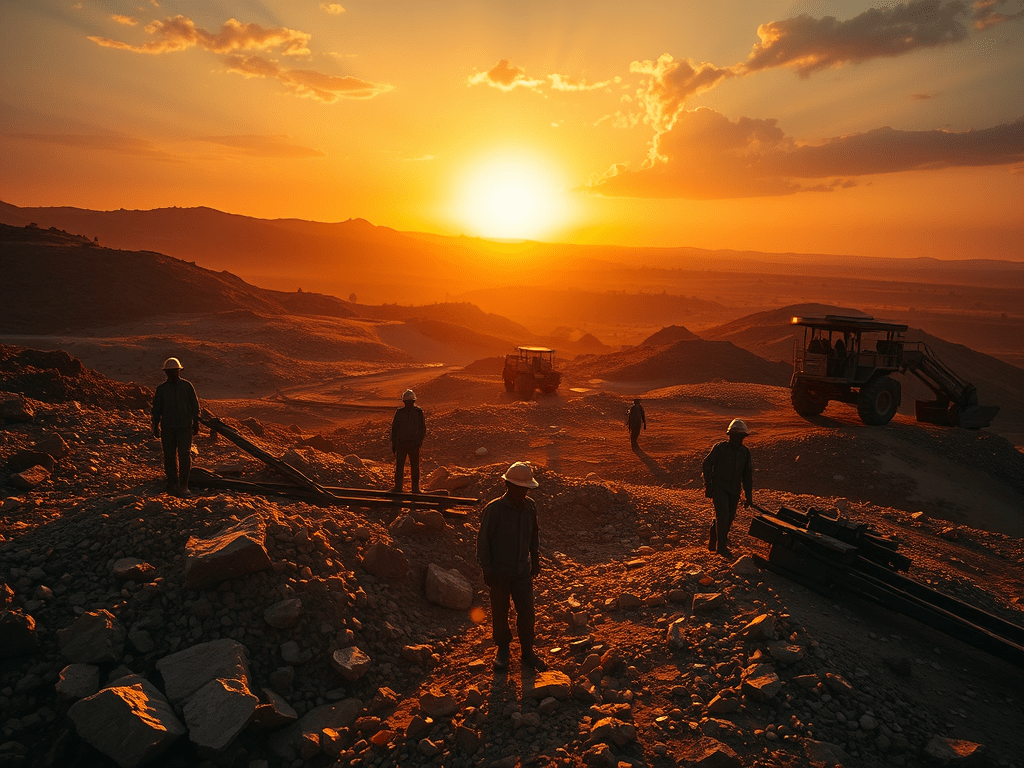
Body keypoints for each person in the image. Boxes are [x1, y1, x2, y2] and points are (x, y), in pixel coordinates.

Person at [477, 462, 546, 671]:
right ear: (508, 486)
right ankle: (503, 650)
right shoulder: (494, 509)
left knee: (527, 612)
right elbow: (483, 543)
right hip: (500, 572)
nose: (524, 492)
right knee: (500, 611)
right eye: (520, 487)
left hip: (521, 571)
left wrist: (535, 559)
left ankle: (527, 652)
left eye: (526, 488)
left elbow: (534, 536)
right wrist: (487, 570)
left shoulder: (530, 507)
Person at [701, 419, 753, 558]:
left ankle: (714, 542)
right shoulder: (720, 448)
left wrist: (749, 496)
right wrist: (709, 484)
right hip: (719, 488)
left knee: (728, 518)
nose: (738, 439)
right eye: (735, 436)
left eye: (741, 437)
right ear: (730, 436)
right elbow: (707, 464)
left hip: (734, 490)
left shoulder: (745, 453)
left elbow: (747, 476)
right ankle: (721, 548)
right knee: (723, 515)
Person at [151, 357, 200, 496]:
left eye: (174, 371)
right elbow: (156, 409)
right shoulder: (161, 390)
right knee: (169, 456)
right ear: (166, 373)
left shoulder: (187, 386)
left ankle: (184, 485)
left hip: (184, 427)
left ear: (179, 371)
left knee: (184, 455)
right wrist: (155, 426)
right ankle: (172, 483)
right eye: (170, 372)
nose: (172, 374)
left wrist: (196, 422)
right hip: (168, 428)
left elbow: (195, 406)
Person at [390, 389, 426, 493]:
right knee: (406, 466)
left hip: (409, 444)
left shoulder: (412, 412)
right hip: (405, 444)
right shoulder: (414, 412)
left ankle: (406, 488)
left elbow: (422, 429)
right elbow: (395, 429)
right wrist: (394, 443)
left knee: (407, 466)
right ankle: (408, 488)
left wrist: (419, 442)